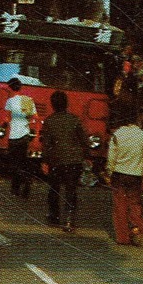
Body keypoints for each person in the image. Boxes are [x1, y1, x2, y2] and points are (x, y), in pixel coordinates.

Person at [41, 89, 86, 233]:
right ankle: (69, 220)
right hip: (74, 160)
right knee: (71, 191)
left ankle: (54, 216)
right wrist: (87, 157)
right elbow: (84, 141)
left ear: (52, 105)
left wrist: (45, 161)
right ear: (66, 104)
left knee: (54, 189)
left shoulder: (49, 121)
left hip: (56, 160)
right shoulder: (75, 120)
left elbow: (46, 144)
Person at [106, 110, 143, 246]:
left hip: (119, 173)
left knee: (120, 205)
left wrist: (109, 171)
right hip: (136, 174)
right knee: (135, 203)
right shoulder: (142, 135)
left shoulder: (117, 135)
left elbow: (111, 157)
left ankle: (123, 237)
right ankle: (136, 228)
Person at [3, 78, 36, 199]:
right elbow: (33, 119)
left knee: (14, 164)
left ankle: (15, 189)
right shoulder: (28, 100)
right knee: (22, 162)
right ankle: (26, 181)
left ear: (11, 88)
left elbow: (7, 119)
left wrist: (5, 126)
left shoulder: (10, 101)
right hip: (25, 135)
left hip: (14, 137)